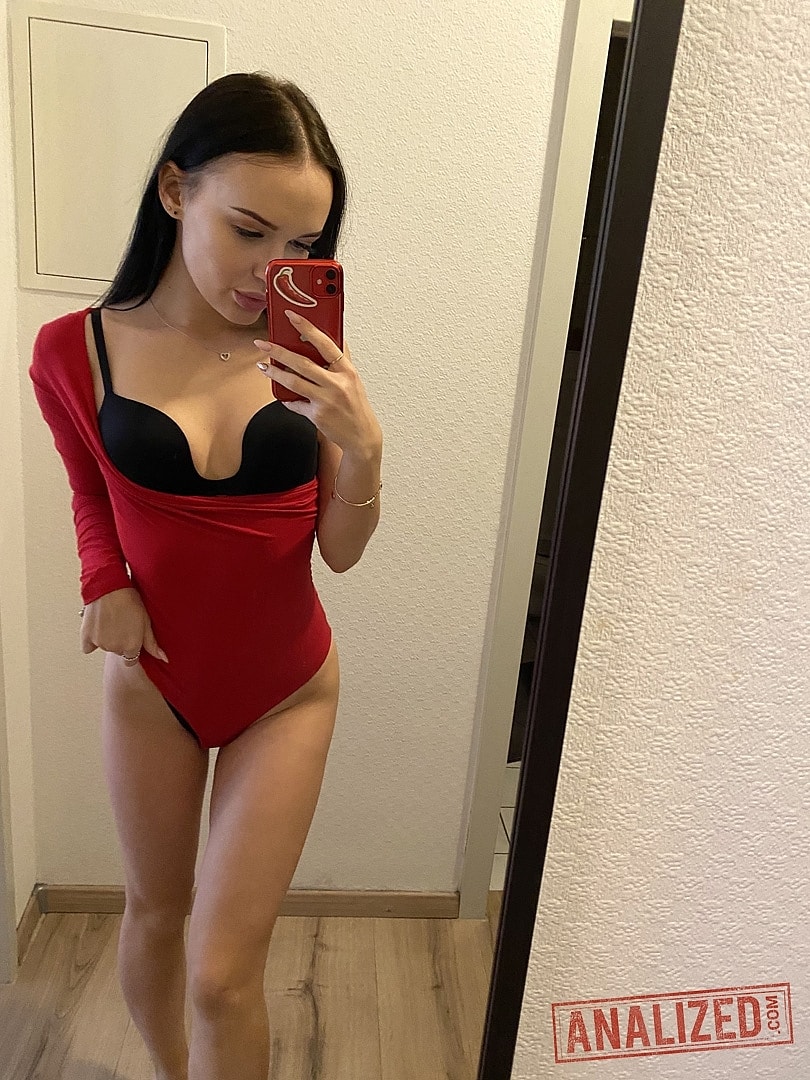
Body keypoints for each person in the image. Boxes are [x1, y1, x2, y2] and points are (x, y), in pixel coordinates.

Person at [29, 71, 382, 1080]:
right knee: (155, 912)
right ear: (176, 191)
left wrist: (364, 451)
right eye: (250, 230)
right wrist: (104, 581)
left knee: (225, 976)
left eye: (304, 246)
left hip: (287, 688)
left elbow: (341, 551)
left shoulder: (309, 359)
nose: (274, 270)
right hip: (155, 682)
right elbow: (89, 488)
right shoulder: (73, 351)